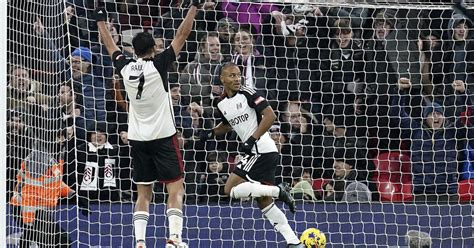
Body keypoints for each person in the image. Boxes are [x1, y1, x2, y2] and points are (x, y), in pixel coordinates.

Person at [94, 1, 200, 247]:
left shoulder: (125, 67)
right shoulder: (160, 65)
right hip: (163, 137)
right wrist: (194, 7)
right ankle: (174, 238)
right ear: (154, 48)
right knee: (175, 189)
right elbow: (182, 34)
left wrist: (100, 19)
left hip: (138, 139)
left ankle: (140, 242)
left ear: (133, 49)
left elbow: (110, 44)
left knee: (143, 194)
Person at [200, 63, 304, 248]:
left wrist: (252, 139)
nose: (236, 79)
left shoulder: (248, 93)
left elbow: (270, 116)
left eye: (238, 75)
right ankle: (294, 242)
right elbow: (228, 124)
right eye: (231, 76)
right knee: (264, 202)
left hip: (261, 149)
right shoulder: (220, 102)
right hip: (260, 152)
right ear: (222, 79)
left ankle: (279, 191)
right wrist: (211, 133)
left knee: (229, 189)